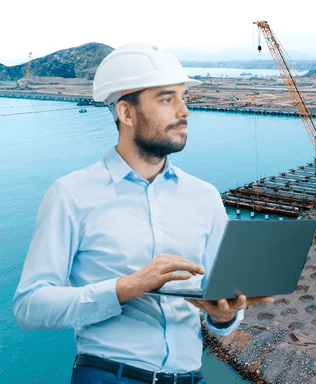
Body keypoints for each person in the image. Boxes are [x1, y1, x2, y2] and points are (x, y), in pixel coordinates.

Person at [13, 43, 272, 384]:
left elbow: (218, 299)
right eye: (167, 99)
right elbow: (29, 306)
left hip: (190, 378)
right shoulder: (71, 195)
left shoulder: (205, 197)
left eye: (184, 97)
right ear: (127, 113)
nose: (184, 111)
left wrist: (224, 316)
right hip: (108, 377)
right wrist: (127, 287)